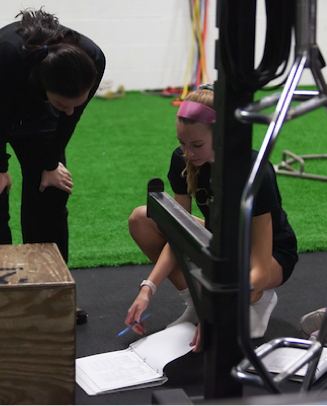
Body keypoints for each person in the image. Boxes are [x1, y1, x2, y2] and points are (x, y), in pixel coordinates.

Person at [124, 85, 298, 351]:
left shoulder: (255, 171)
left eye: (196, 145)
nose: (188, 153)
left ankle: (259, 301)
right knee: (141, 219)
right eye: (182, 143)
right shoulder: (182, 160)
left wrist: (215, 312)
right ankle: (197, 304)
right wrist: (148, 288)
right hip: (222, 239)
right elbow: (179, 232)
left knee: (232, 277)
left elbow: (260, 268)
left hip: (269, 252)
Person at [0, 8, 105, 265]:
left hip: (34, 92)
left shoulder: (94, 59)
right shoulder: (12, 53)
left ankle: (49, 283)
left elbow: (70, 117)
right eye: (62, 104)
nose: (69, 111)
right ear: (47, 86)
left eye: (73, 105)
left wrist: (51, 164)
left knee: (50, 192)